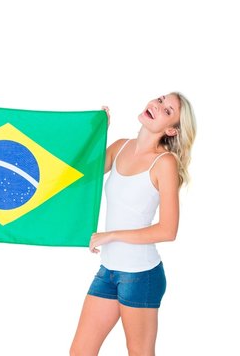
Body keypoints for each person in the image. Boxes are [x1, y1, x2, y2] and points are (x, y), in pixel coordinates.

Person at [70, 93, 196, 356]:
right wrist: (96, 131)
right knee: (80, 352)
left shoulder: (165, 163)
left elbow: (167, 230)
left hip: (141, 275)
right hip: (109, 271)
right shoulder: (120, 147)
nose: (158, 105)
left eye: (167, 110)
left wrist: (110, 235)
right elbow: (79, 175)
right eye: (160, 100)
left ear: (170, 129)